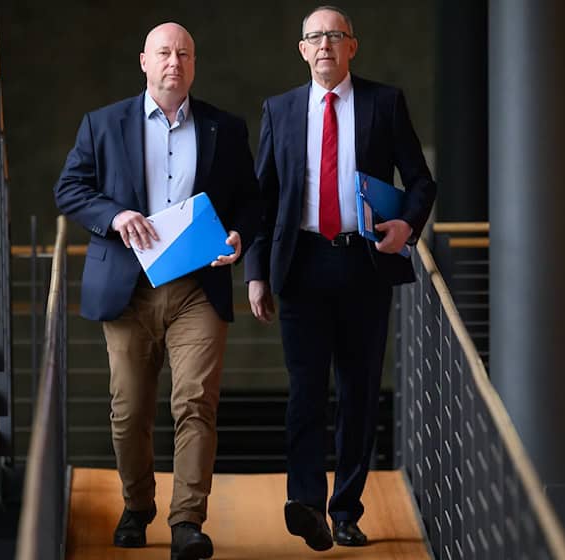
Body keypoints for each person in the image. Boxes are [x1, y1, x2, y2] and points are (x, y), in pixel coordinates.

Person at [54, 22, 260, 560]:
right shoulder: (103, 124)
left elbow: (250, 201)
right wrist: (115, 214)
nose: (175, 61)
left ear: (194, 64)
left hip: (198, 288)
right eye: (165, 52)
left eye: (185, 53)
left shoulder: (225, 128)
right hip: (127, 288)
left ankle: (187, 521)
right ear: (144, 61)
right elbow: (69, 189)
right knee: (130, 410)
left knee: (195, 403)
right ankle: (137, 504)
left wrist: (240, 234)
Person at [244, 5, 437, 550]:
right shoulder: (279, 110)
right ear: (301, 50)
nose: (324, 44)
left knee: (358, 394)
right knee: (305, 392)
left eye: (334, 35)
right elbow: (264, 199)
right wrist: (257, 274)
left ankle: (347, 509)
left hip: (364, 264)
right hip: (300, 265)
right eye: (314, 37)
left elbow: (421, 180)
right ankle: (306, 503)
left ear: (353, 46)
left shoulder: (384, 102)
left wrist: (406, 226)